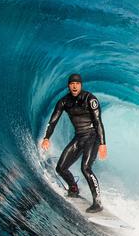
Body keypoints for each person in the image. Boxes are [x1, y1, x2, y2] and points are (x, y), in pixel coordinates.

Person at [40, 73, 108, 213]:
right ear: (68, 86)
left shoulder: (90, 99)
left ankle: (98, 202)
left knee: (86, 168)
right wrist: (47, 137)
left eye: (77, 84)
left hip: (92, 136)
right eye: (72, 84)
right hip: (79, 137)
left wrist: (102, 143)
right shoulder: (64, 102)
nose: (75, 86)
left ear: (81, 85)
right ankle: (73, 187)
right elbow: (53, 121)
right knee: (61, 168)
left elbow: (97, 122)